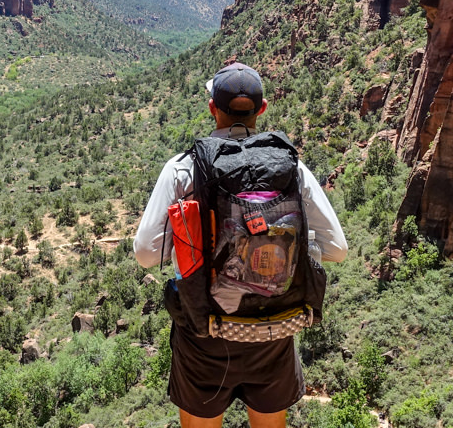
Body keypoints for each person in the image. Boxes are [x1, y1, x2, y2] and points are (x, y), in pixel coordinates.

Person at [134, 62, 348, 428]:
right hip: (273, 328)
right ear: (261, 110)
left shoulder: (183, 168)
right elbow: (337, 249)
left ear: (212, 108)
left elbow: (146, 253)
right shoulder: (291, 168)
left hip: (205, 331)